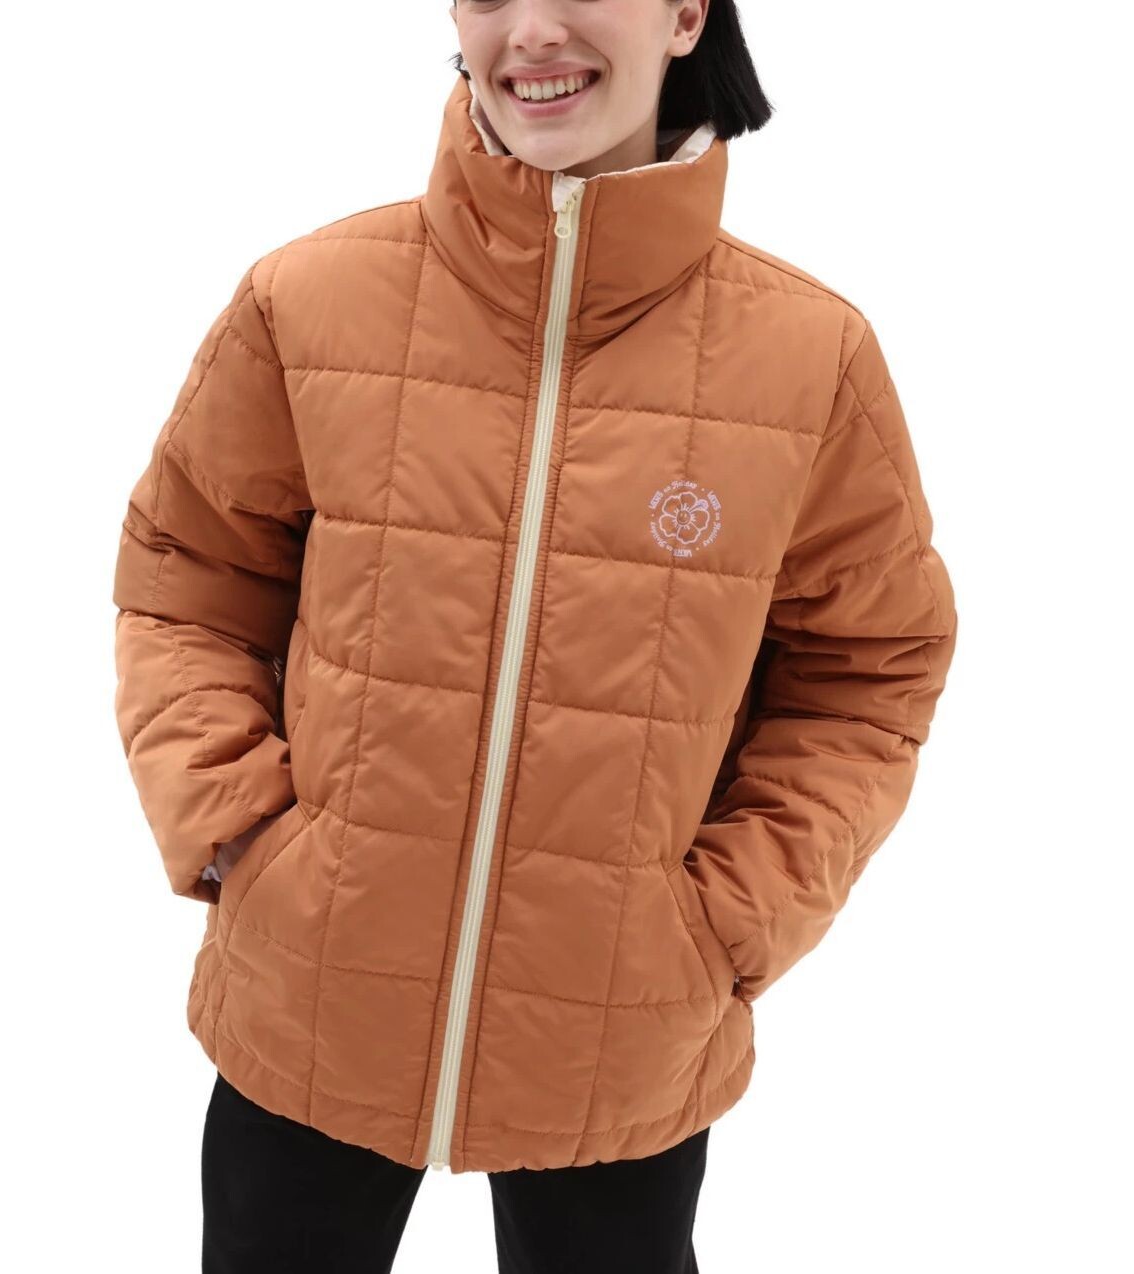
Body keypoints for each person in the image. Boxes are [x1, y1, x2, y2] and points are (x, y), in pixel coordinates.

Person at [110, 1, 959, 1269]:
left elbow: (867, 671)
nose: (531, 31)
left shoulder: (808, 358)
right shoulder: (309, 299)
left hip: (620, 1031)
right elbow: (188, 579)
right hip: (311, 996)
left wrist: (722, 919)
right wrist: (243, 830)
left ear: (685, 14)